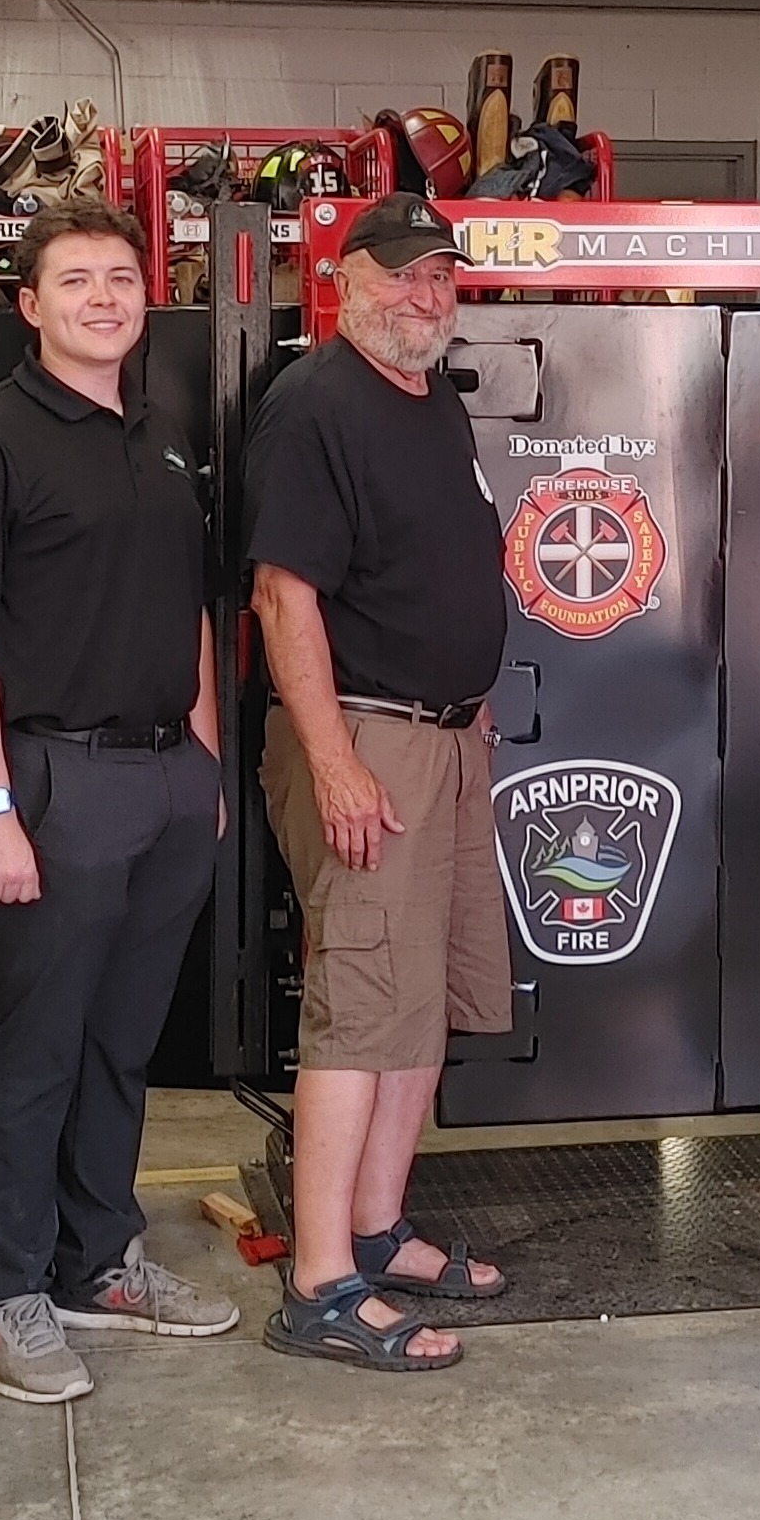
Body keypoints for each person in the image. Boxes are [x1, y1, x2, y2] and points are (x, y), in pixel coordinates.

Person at [0, 192, 236, 1406]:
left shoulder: (157, 442)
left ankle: (99, 1257)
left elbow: (190, 618)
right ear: (30, 305)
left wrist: (200, 761)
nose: (103, 297)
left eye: (119, 277)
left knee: (121, 1041)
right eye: (76, 281)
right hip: (54, 775)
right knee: (38, 1046)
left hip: (164, 779)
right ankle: (5, 1294)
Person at [247, 190, 514, 1372]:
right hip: (365, 740)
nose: (426, 293)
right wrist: (337, 759)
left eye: (442, 275)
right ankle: (316, 1282)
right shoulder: (315, 403)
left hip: (444, 737)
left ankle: (377, 1225)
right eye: (401, 273)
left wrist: (469, 690)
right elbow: (283, 595)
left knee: (418, 1001)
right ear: (341, 279)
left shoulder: (430, 404)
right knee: (358, 1008)